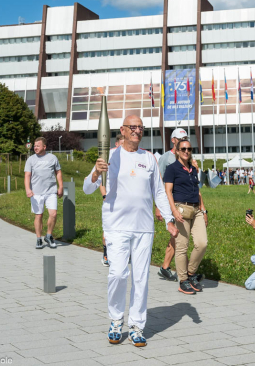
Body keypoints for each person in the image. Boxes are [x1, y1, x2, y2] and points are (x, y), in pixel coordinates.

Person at [83, 115, 174, 347]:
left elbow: (159, 192)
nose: (137, 131)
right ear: (122, 130)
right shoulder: (110, 156)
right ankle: (115, 320)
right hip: (116, 226)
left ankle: (136, 325)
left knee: (141, 278)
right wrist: (95, 172)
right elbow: (87, 187)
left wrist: (169, 219)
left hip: (144, 227)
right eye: (132, 127)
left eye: (140, 127)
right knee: (117, 274)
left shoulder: (149, 158)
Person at [163, 139, 208, 295]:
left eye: (189, 148)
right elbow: (167, 191)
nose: (186, 151)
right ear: (177, 150)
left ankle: (190, 272)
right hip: (181, 209)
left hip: (196, 209)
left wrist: (204, 210)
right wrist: (174, 211)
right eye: (183, 149)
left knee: (202, 243)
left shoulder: (193, 169)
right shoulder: (172, 169)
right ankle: (183, 281)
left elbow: (198, 190)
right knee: (182, 246)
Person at [156, 128, 189, 282]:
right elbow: (159, 182)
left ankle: (168, 267)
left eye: (186, 138)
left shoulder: (185, 156)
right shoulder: (165, 158)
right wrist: (158, 207)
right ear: (173, 140)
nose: (184, 140)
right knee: (177, 235)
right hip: (171, 203)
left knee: (179, 235)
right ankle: (168, 268)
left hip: (185, 203)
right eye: (181, 138)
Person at [25, 137, 64, 249]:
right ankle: (39, 239)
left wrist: (61, 186)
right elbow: (27, 175)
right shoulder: (31, 160)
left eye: (38, 146)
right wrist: (28, 189)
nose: (35, 148)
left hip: (51, 191)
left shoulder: (52, 158)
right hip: (36, 193)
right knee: (39, 215)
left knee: (53, 214)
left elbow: (58, 172)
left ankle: (49, 235)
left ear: (44, 147)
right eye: (34, 146)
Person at [100, 137, 124, 266]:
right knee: (108, 230)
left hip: (124, 202)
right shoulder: (108, 156)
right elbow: (101, 180)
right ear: (116, 143)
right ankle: (106, 254)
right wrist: (105, 196)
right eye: (121, 143)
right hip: (110, 201)